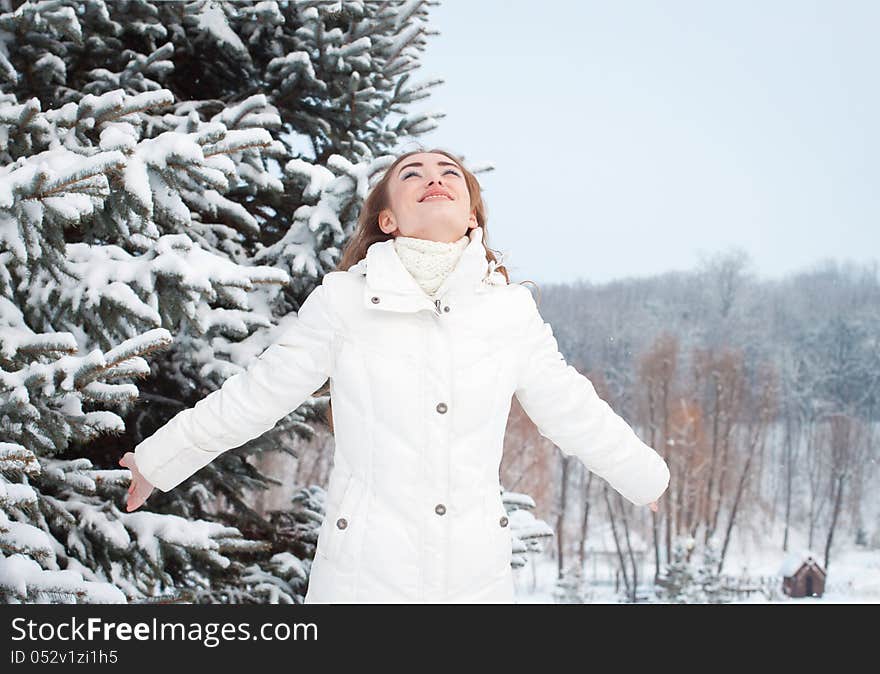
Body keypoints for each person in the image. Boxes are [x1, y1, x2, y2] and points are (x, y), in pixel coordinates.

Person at [119, 147, 670, 604]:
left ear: (472, 215)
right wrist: (159, 459)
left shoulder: (507, 312)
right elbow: (258, 395)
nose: (434, 178)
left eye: (449, 173)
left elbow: (569, 407)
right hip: (362, 578)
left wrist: (642, 474)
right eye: (414, 174)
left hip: (475, 581)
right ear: (388, 219)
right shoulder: (343, 302)